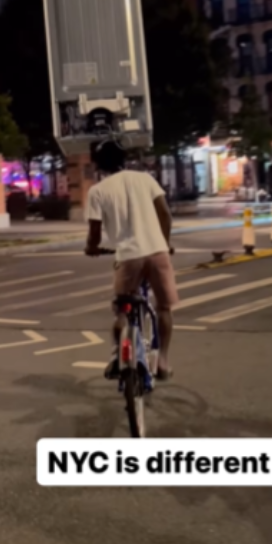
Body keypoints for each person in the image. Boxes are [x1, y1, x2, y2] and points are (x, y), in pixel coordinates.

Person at [83, 140, 178, 380]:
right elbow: (165, 215)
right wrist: (164, 243)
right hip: (157, 252)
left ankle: (117, 355)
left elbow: (94, 230)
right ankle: (163, 361)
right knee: (164, 307)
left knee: (121, 310)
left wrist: (92, 247)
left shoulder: (97, 191)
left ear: (99, 165)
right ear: (124, 159)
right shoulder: (145, 179)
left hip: (128, 257)